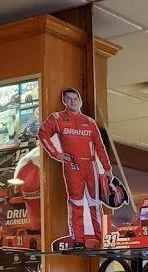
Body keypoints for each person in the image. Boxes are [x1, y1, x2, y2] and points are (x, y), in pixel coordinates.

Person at [37, 87, 122, 248]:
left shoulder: (89, 122)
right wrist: (56, 153)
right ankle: (78, 240)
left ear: (80, 101)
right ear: (64, 101)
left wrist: (107, 168)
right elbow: (43, 133)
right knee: (76, 203)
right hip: (72, 166)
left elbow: (100, 146)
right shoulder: (57, 118)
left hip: (91, 166)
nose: (72, 102)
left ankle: (101, 239)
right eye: (69, 99)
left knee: (95, 203)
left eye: (75, 99)